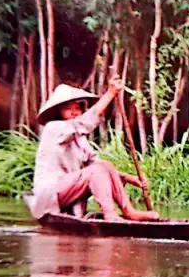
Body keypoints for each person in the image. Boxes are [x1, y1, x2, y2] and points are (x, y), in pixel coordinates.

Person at [29, 79, 161, 222]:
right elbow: (84, 123)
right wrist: (110, 94)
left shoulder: (80, 140)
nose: (74, 112)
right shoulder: (53, 128)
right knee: (96, 170)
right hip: (49, 195)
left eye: (77, 108)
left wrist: (130, 179)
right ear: (59, 111)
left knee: (104, 165)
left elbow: (99, 167)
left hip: (68, 192)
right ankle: (110, 215)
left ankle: (129, 211)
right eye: (68, 108)